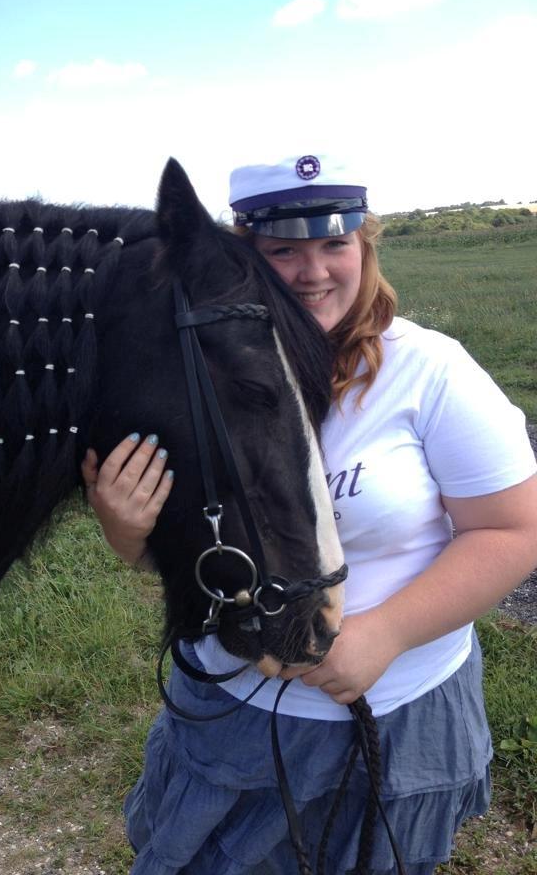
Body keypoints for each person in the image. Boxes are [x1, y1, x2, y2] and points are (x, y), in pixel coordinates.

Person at [81, 152, 537, 874]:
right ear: (246, 255)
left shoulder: (429, 372)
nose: (314, 270)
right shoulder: (196, 371)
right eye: (284, 249)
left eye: (334, 243)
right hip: (242, 712)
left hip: (400, 708)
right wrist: (130, 533)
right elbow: (207, 546)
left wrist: (384, 634)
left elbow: (514, 531)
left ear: (365, 245)